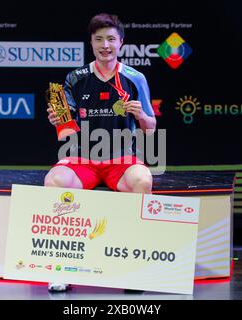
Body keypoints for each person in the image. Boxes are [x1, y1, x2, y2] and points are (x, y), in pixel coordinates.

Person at [44, 13, 156, 292]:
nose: (105, 45)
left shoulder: (135, 77)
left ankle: (134, 268)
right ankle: (61, 267)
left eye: (110, 39)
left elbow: (151, 128)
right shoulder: (75, 78)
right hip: (82, 158)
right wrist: (58, 121)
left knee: (143, 181)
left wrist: (142, 114)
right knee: (53, 181)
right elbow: (67, 129)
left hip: (122, 159)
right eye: (98, 40)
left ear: (121, 43)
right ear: (91, 43)